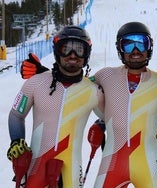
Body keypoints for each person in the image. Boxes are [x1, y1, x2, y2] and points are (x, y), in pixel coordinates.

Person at [19, 22, 157, 188]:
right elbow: (77, 82)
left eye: (141, 43)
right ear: (120, 49)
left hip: (147, 164)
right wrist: (45, 74)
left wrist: (153, 121)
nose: (135, 51)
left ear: (150, 47)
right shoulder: (105, 76)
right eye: (128, 45)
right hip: (113, 164)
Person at [7, 25, 104, 188]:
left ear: (86, 54)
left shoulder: (94, 91)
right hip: (35, 166)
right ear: (57, 51)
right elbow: (16, 114)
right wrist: (16, 141)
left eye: (79, 50)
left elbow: (112, 116)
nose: (72, 55)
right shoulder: (35, 82)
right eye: (66, 49)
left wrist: (100, 127)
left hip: (72, 170)